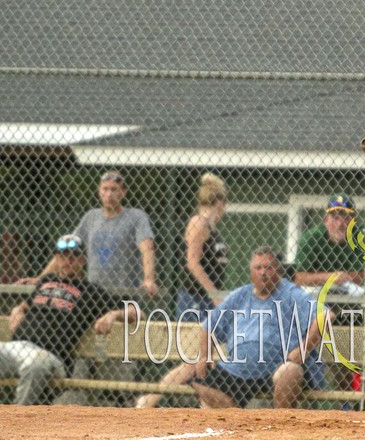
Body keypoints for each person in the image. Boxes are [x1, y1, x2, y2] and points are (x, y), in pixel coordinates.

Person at [135, 246, 330, 409]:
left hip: (276, 367)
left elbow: (325, 316)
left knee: (290, 371)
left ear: (278, 271)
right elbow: (208, 327)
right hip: (236, 369)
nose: (263, 272)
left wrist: (302, 350)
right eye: (258, 267)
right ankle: (238, 420)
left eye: (269, 268)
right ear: (251, 272)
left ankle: (278, 426)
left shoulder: (290, 293)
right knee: (195, 369)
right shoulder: (240, 295)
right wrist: (205, 355)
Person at [0, 235, 129, 404]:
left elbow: (135, 311)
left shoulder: (91, 291)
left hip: (49, 356)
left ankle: (18, 419)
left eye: (73, 256)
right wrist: (18, 309)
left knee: (37, 364)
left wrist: (113, 315)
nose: (67, 260)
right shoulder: (46, 280)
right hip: (16, 347)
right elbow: (25, 305)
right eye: (62, 255)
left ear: (82, 260)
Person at [18, 170, 158, 296]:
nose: (109, 194)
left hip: (124, 292)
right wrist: (40, 279)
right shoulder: (91, 217)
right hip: (93, 294)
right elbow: (66, 249)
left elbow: (147, 248)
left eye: (114, 189)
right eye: (105, 189)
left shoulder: (136, 217)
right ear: (99, 191)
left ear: (123, 192)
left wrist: (149, 279)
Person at [176, 173, 229, 321]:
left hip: (207, 299)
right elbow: (192, 262)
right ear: (221, 204)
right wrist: (214, 295)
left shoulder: (211, 228)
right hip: (195, 298)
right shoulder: (198, 222)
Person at [293, 193, 365, 295]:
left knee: (360, 292)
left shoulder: (361, 236)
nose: (340, 224)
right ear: (325, 220)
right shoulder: (312, 237)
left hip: (350, 289)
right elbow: (298, 277)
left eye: (346, 218)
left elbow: (362, 276)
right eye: (335, 218)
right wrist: (330, 277)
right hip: (317, 288)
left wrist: (316, 277)